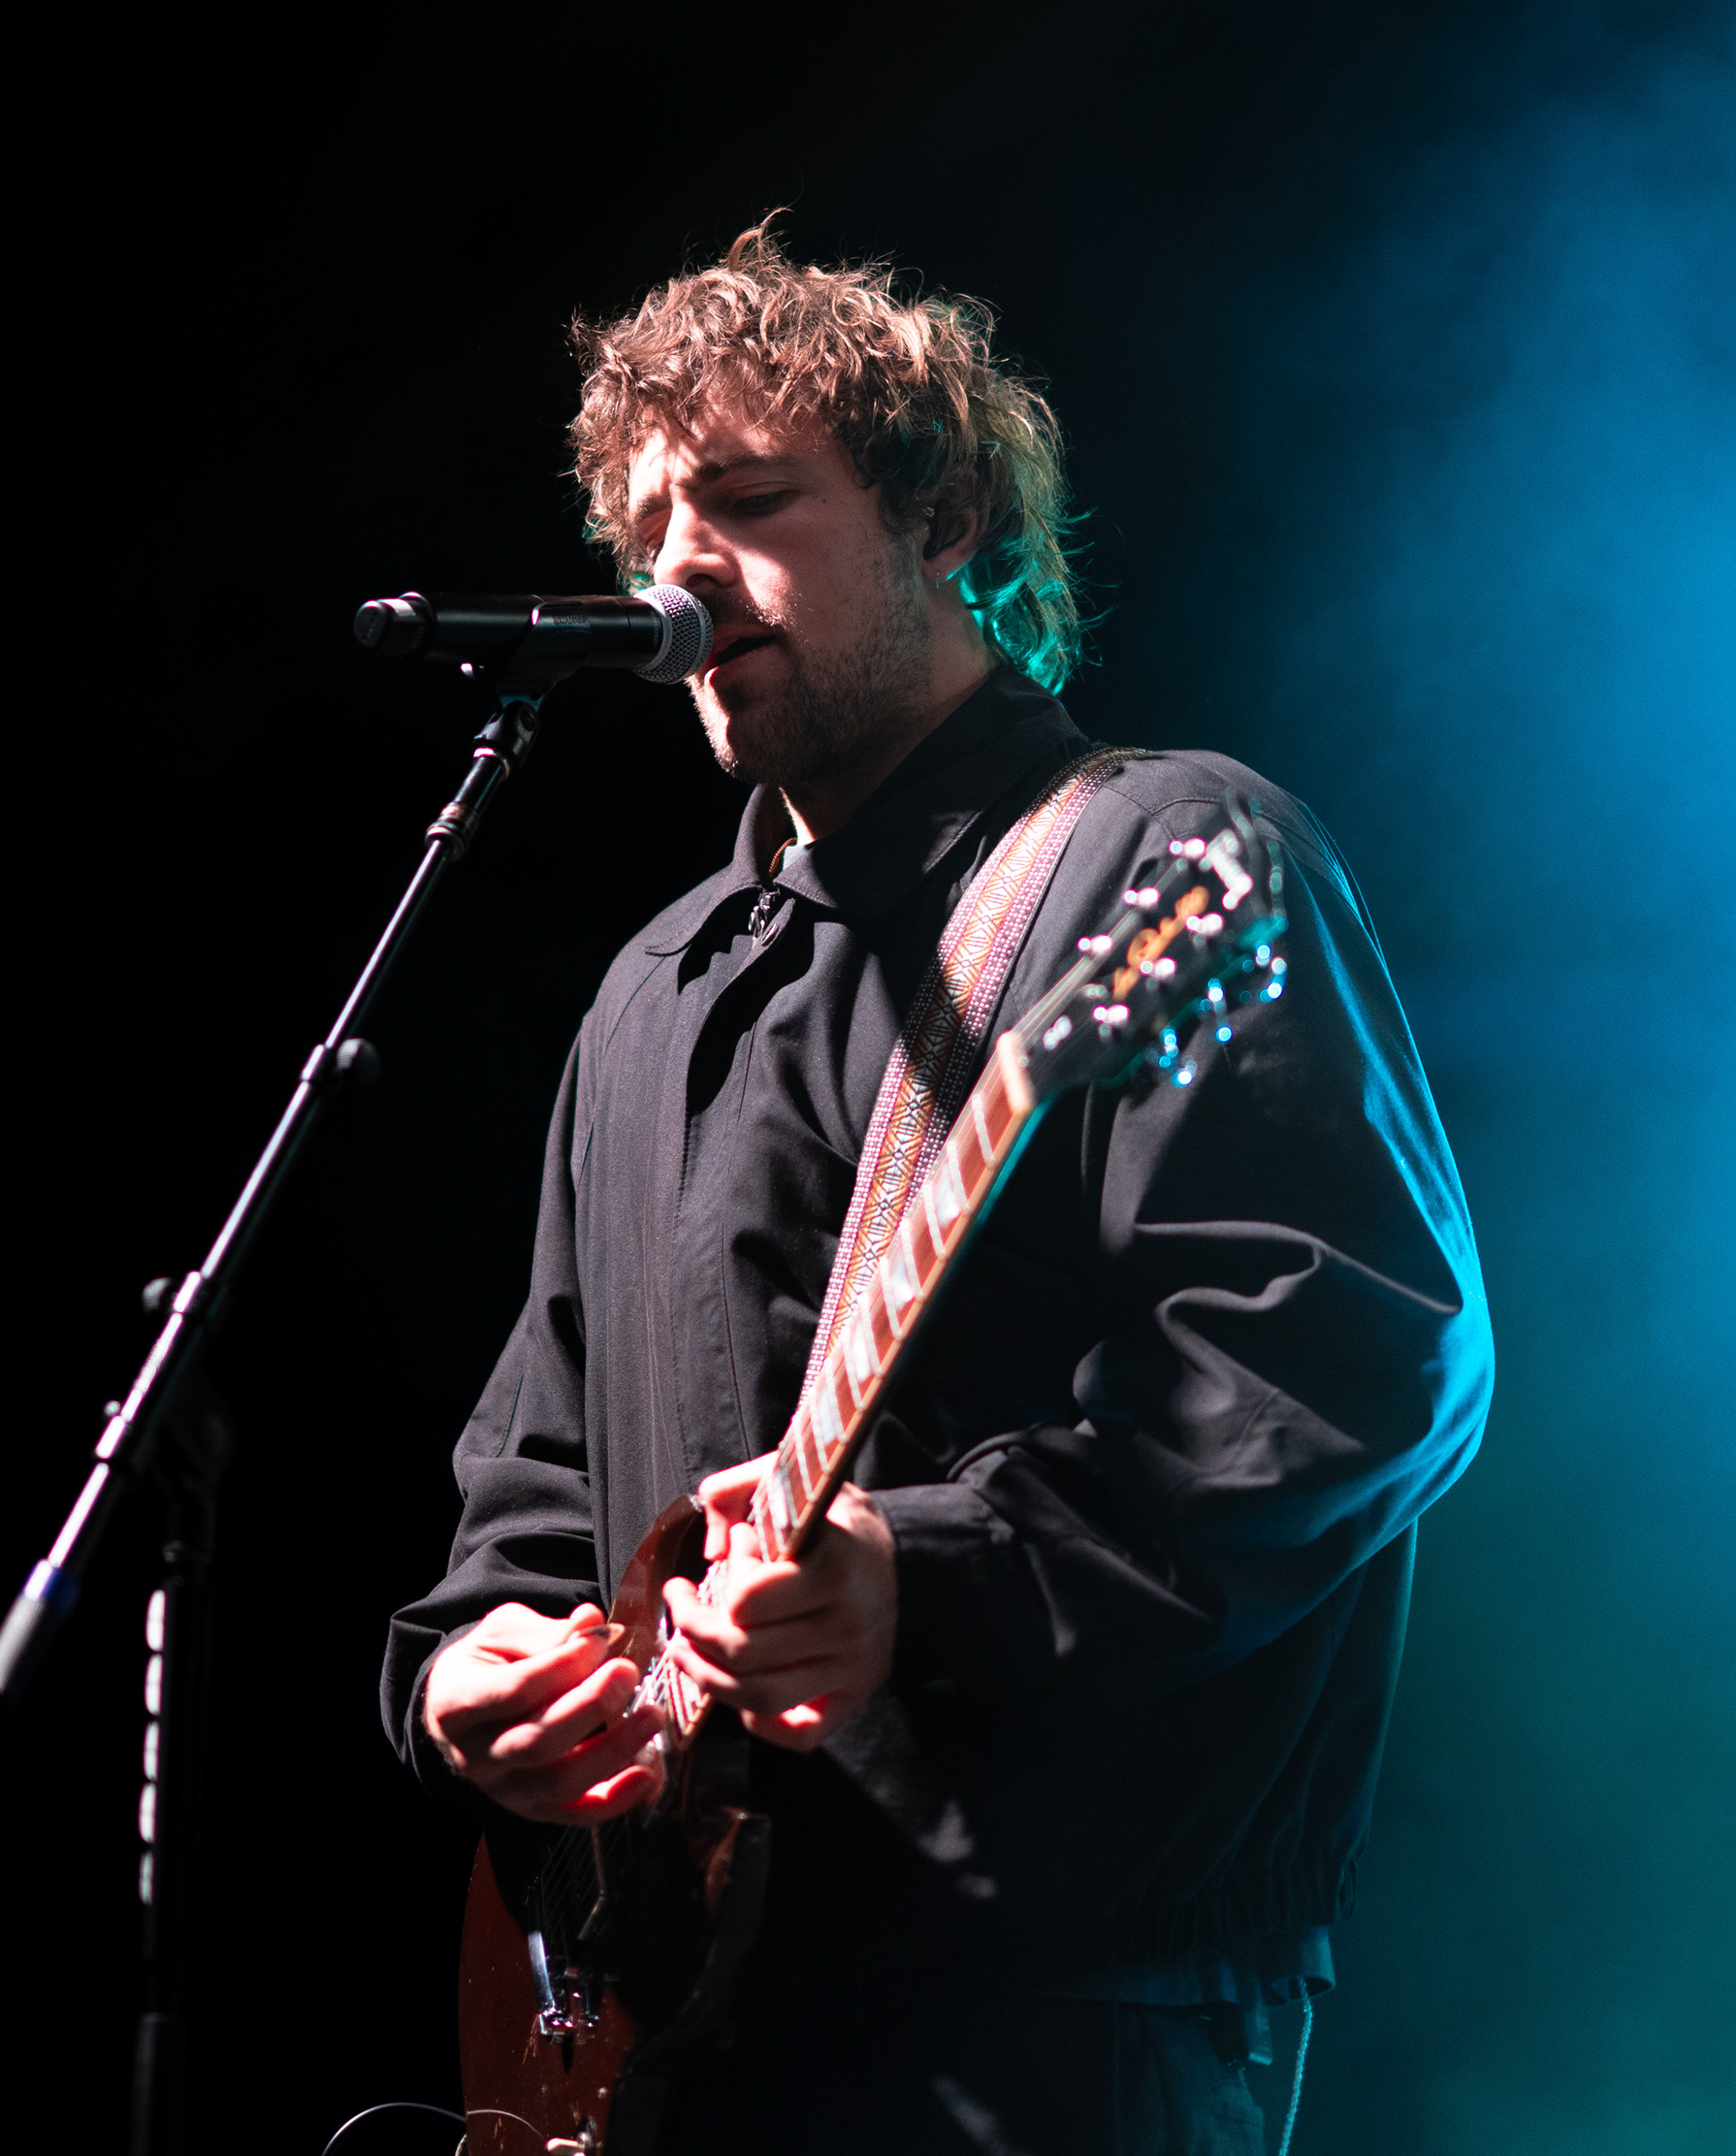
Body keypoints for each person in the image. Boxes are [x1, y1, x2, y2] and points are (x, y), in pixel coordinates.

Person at [381, 222, 1492, 2155]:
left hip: (1054, 2031)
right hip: (668, 2028)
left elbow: (1348, 1359)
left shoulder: (1157, 860)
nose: (680, 569)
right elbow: (539, 1475)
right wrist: (476, 1670)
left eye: (750, 501)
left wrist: (933, 1569)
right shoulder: (656, 989)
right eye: (648, 527)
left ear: (944, 516)